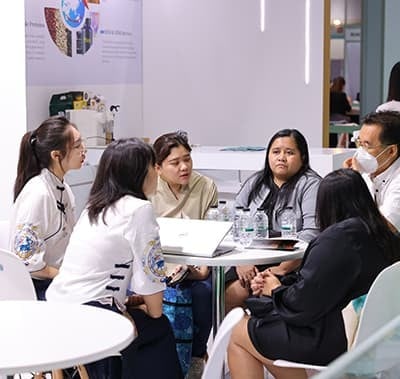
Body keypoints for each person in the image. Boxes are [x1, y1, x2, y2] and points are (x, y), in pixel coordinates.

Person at [227, 168, 400, 379]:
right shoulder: (384, 234)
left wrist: (275, 289)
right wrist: (277, 287)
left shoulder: (337, 240)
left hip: (334, 339)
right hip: (378, 339)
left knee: (238, 332)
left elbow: (303, 304)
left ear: (326, 204)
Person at [46, 138, 183, 379]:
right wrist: (151, 310)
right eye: (153, 166)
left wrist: (128, 304)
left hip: (59, 307)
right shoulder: (138, 209)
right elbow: (151, 282)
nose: (156, 173)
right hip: (94, 316)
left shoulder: (94, 207)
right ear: (139, 172)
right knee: (159, 327)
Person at [225, 129, 321, 312]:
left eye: (289, 153)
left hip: (291, 263)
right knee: (224, 293)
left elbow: (311, 234)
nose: (281, 158)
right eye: (276, 152)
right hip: (250, 259)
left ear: (303, 157)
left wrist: (280, 269)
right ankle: (232, 338)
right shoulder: (256, 181)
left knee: (244, 293)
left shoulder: (311, 184)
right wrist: (241, 261)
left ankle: (247, 337)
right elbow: (233, 222)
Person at [150, 131, 218, 379]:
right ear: (158, 168)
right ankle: (166, 361)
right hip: (157, 266)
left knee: (205, 293)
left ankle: (196, 357)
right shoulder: (148, 189)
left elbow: (211, 234)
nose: (184, 167)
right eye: (175, 162)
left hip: (196, 264)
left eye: (187, 159)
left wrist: (197, 270)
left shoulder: (205, 186)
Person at [10, 116, 86, 300]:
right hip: (37, 287)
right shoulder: (38, 193)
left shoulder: (63, 188)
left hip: (56, 278)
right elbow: (26, 261)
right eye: (77, 146)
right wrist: (67, 277)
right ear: (56, 155)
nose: (84, 151)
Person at [344, 111, 400, 233]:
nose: (360, 151)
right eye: (359, 143)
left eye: (367, 146)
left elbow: (386, 228)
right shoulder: (370, 172)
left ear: (391, 151)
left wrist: (358, 181)